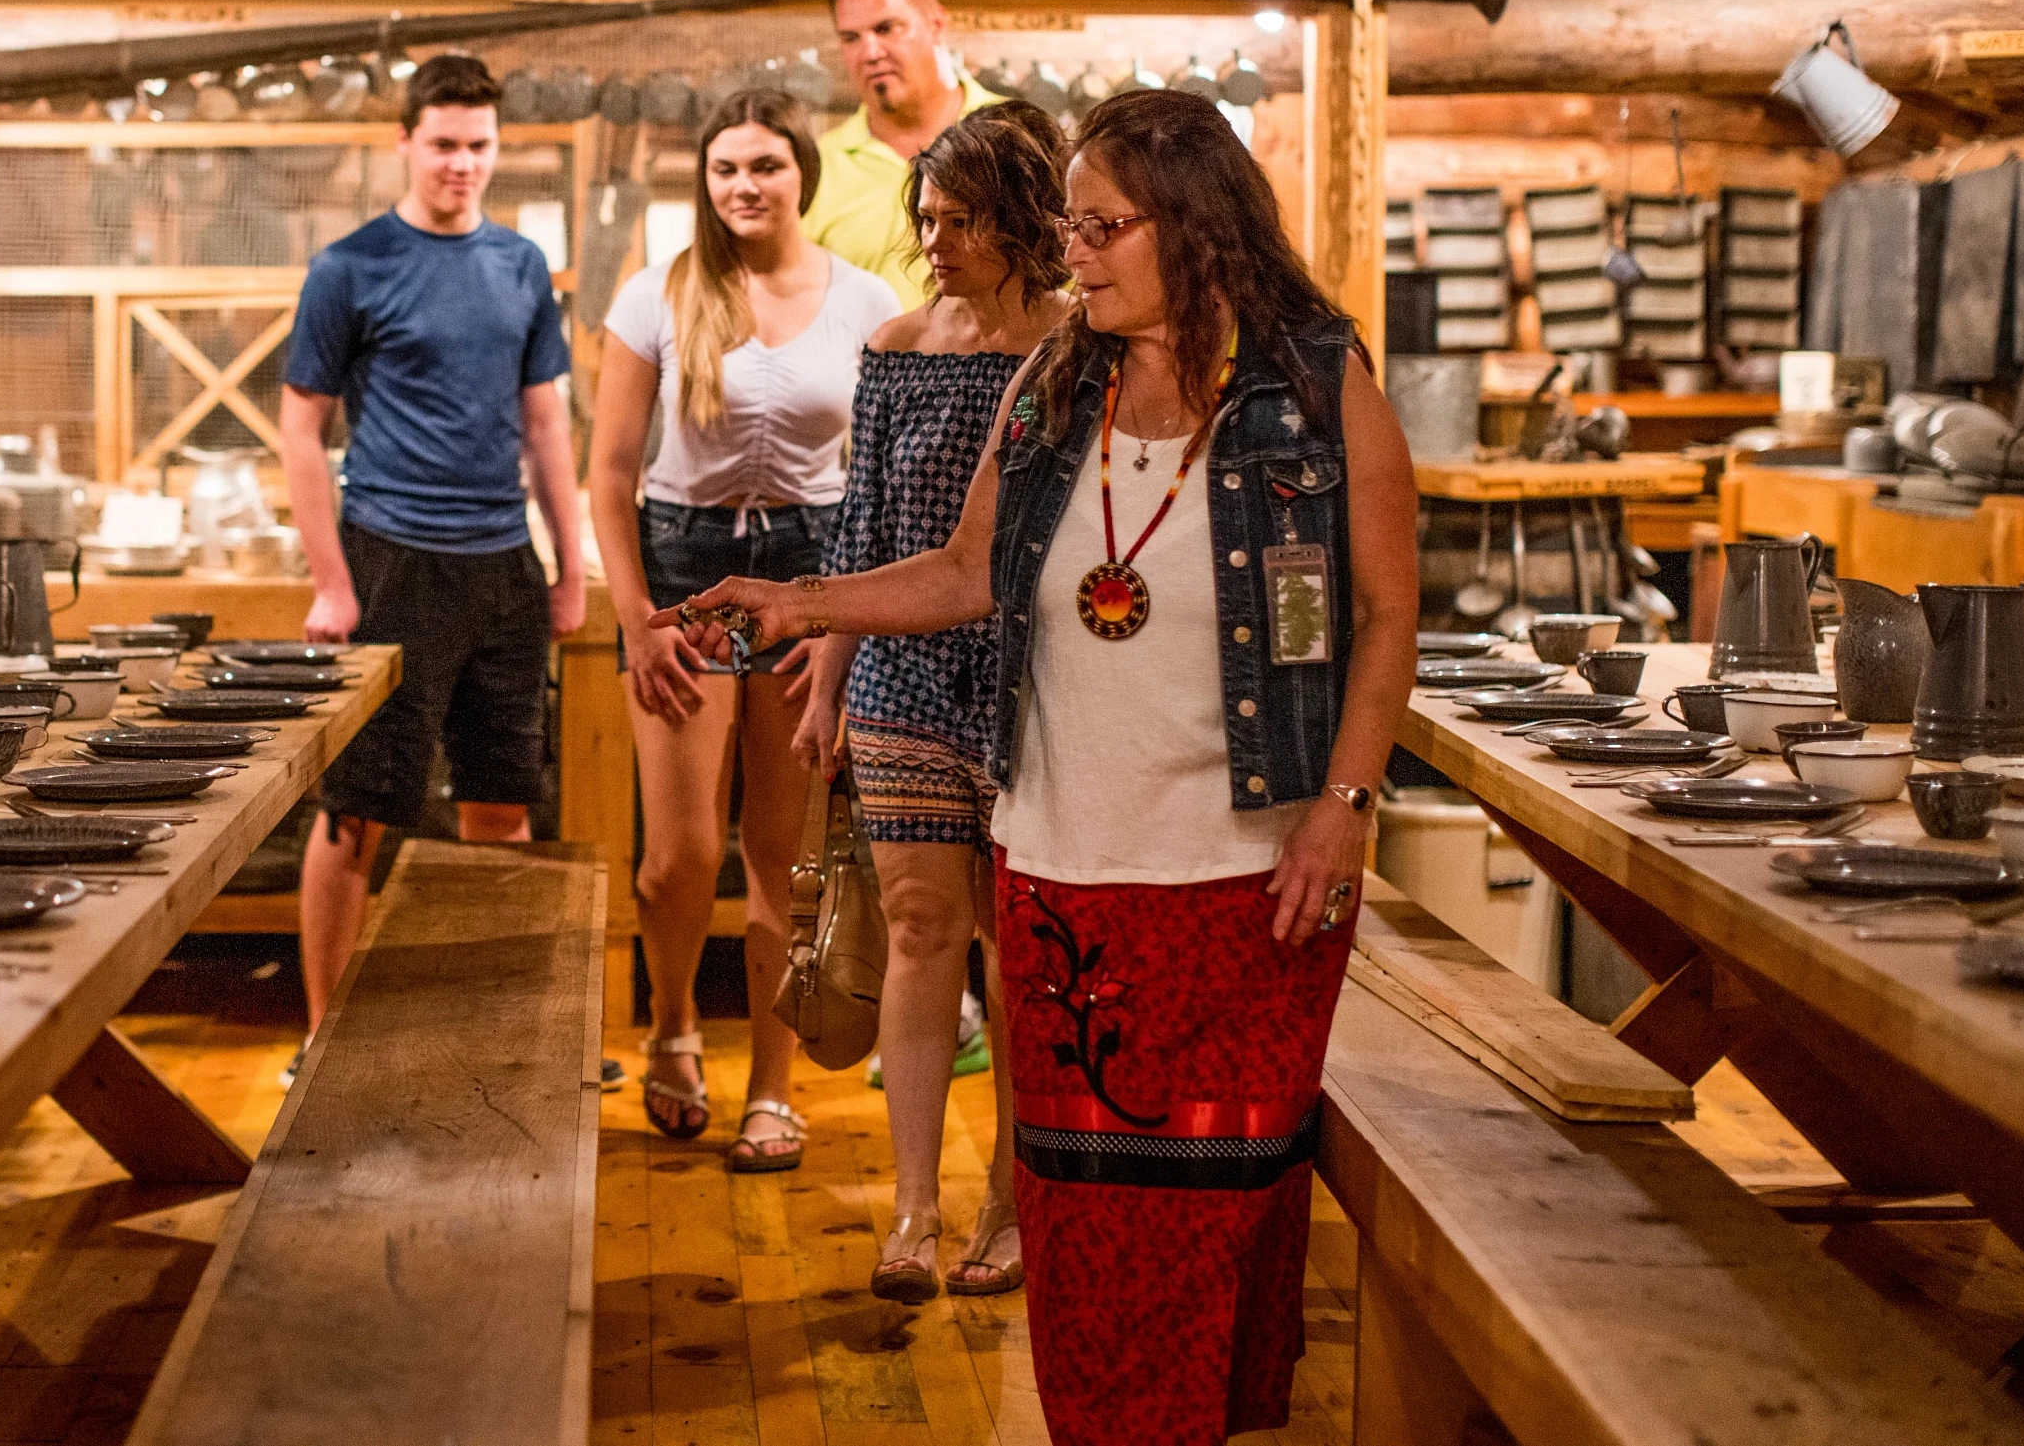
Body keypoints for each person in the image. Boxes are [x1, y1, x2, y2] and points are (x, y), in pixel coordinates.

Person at [661, 90, 1418, 1446]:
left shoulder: (1314, 379)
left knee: (1216, 1213)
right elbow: (962, 572)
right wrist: (802, 607)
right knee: (1077, 1223)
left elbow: (1380, 614)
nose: (1073, 249)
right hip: (1065, 874)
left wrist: (1345, 806)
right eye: (1068, 221)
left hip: (1253, 883)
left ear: (1193, 227)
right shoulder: (1060, 380)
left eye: (1102, 224)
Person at [589, 89, 899, 1172]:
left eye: (764, 166)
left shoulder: (867, 302)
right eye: (725, 169)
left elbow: (881, 479)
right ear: (705, 182)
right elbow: (611, 476)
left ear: (801, 175)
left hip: (812, 569)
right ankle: (671, 1025)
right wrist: (636, 618)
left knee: (783, 854)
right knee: (677, 856)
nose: (744, 186)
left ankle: (771, 1088)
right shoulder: (660, 295)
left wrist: (844, 618)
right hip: (683, 564)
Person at [797, 100, 1069, 1300]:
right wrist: (826, 681)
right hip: (904, 674)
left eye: (962, 219)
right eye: (927, 217)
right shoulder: (899, 346)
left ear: (1021, 220)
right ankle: (912, 1208)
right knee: (917, 929)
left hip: (1037, 682)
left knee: (1017, 950)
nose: (937, 238)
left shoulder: (1075, 347)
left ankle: (1014, 1199)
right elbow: (861, 529)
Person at [279, 53, 587, 1075]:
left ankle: (483, 1034)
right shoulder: (349, 266)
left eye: (480, 145)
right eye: (444, 143)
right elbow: (300, 432)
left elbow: (546, 424)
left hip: (502, 561)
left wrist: (569, 566)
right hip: (391, 559)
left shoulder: (520, 265)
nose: (463, 163)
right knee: (358, 807)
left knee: (500, 804)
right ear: (404, 143)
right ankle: (322, 1039)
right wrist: (332, 581)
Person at [807, 0, 1005, 310]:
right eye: (851, 37)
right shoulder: (815, 166)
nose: (869, 52)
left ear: (937, 25)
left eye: (886, 29)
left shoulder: (1012, 136)